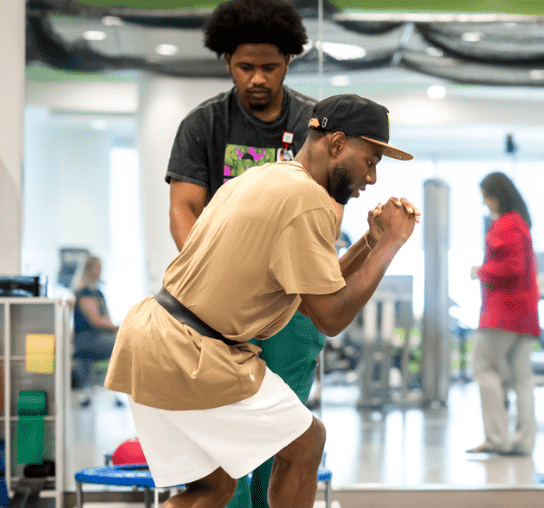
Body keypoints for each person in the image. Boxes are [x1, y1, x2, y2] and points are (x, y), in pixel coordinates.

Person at [105, 93, 418, 507]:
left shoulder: (267, 177)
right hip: (195, 352)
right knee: (308, 443)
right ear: (338, 144)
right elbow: (329, 317)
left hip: (150, 339)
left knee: (211, 489)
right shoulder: (308, 202)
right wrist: (391, 245)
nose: (373, 178)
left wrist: (367, 243)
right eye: (371, 160)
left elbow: (309, 297)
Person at [163, 1, 323, 505]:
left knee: (284, 427)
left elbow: (325, 211)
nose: (257, 78)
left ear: (289, 62)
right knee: (227, 430)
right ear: (227, 60)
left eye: (269, 67)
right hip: (220, 308)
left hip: (293, 306)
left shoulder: (313, 125)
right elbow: (183, 207)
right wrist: (217, 280)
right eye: (245, 67)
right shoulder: (204, 125)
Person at [466, 172, 539, 456]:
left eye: (486, 196)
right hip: (524, 313)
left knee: (483, 369)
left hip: (502, 312)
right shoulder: (521, 223)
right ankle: (523, 442)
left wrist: (479, 271)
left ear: (496, 195)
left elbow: (511, 268)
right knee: (522, 378)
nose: (485, 204)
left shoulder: (506, 224)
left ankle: (496, 439)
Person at [71, 255, 118, 396]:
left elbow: (107, 319)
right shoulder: (84, 293)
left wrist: (116, 329)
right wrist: (117, 328)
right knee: (125, 346)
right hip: (86, 339)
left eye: (101, 267)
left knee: (124, 342)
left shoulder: (98, 293)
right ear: (88, 269)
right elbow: (96, 320)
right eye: (98, 267)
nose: (100, 271)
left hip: (99, 336)